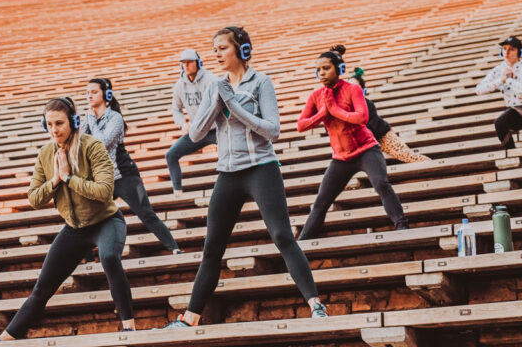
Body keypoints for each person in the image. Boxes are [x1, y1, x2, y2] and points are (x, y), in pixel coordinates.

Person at [164, 26, 327, 329]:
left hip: (261, 168)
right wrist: (217, 101)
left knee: (281, 236)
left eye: (223, 48)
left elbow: (273, 130)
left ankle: (316, 305)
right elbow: (197, 133)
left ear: (242, 50)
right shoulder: (216, 85)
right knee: (212, 248)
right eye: (214, 50)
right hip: (228, 173)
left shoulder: (260, 82)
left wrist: (234, 105)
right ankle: (189, 319)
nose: (217, 54)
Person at [0, 97, 134, 340]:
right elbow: (34, 198)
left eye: (59, 123)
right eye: (48, 124)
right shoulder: (46, 154)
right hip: (74, 228)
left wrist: (69, 178)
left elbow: (104, 191)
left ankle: (129, 325)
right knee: (43, 286)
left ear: (74, 121)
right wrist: (56, 180)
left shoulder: (92, 146)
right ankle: (5, 338)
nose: (54, 130)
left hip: (106, 221)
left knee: (109, 256)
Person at [297, 45, 408, 241]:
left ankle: (402, 226)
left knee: (381, 184)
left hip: (366, 149)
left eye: (326, 68)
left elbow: (362, 118)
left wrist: (335, 110)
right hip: (341, 157)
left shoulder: (352, 89)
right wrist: (322, 114)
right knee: (321, 201)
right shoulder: (316, 96)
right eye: (319, 69)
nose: (322, 73)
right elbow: (301, 125)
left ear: (339, 69)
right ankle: (303, 241)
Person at [81, 78, 180, 254]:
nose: (89, 95)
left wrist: (91, 121)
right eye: (87, 92)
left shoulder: (115, 117)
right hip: (102, 179)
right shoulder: (87, 119)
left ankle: (174, 248)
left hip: (124, 176)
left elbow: (101, 143)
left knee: (146, 214)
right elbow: (79, 143)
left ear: (107, 94)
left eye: (94, 92)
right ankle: (87, 259)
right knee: (86, 216)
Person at [349, 67, 429, 163]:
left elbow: (370, 127)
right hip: (365, 141)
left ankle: (430, 163)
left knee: (406, 155)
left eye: (355, 87)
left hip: (383, 136)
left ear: (362, 91)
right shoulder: (345, 107)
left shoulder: (368, 104)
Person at [165, 49, 218, 195]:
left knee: (231, 151)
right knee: (171, 155)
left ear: (198, 63)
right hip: (197, 131)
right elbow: (176, 109)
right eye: (183, 63)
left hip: (217, 128)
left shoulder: (211, 80)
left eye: (189, 62)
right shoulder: (179, 85)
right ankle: (178, 192)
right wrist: (182, 123)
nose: (186, 66)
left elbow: (219, 104)